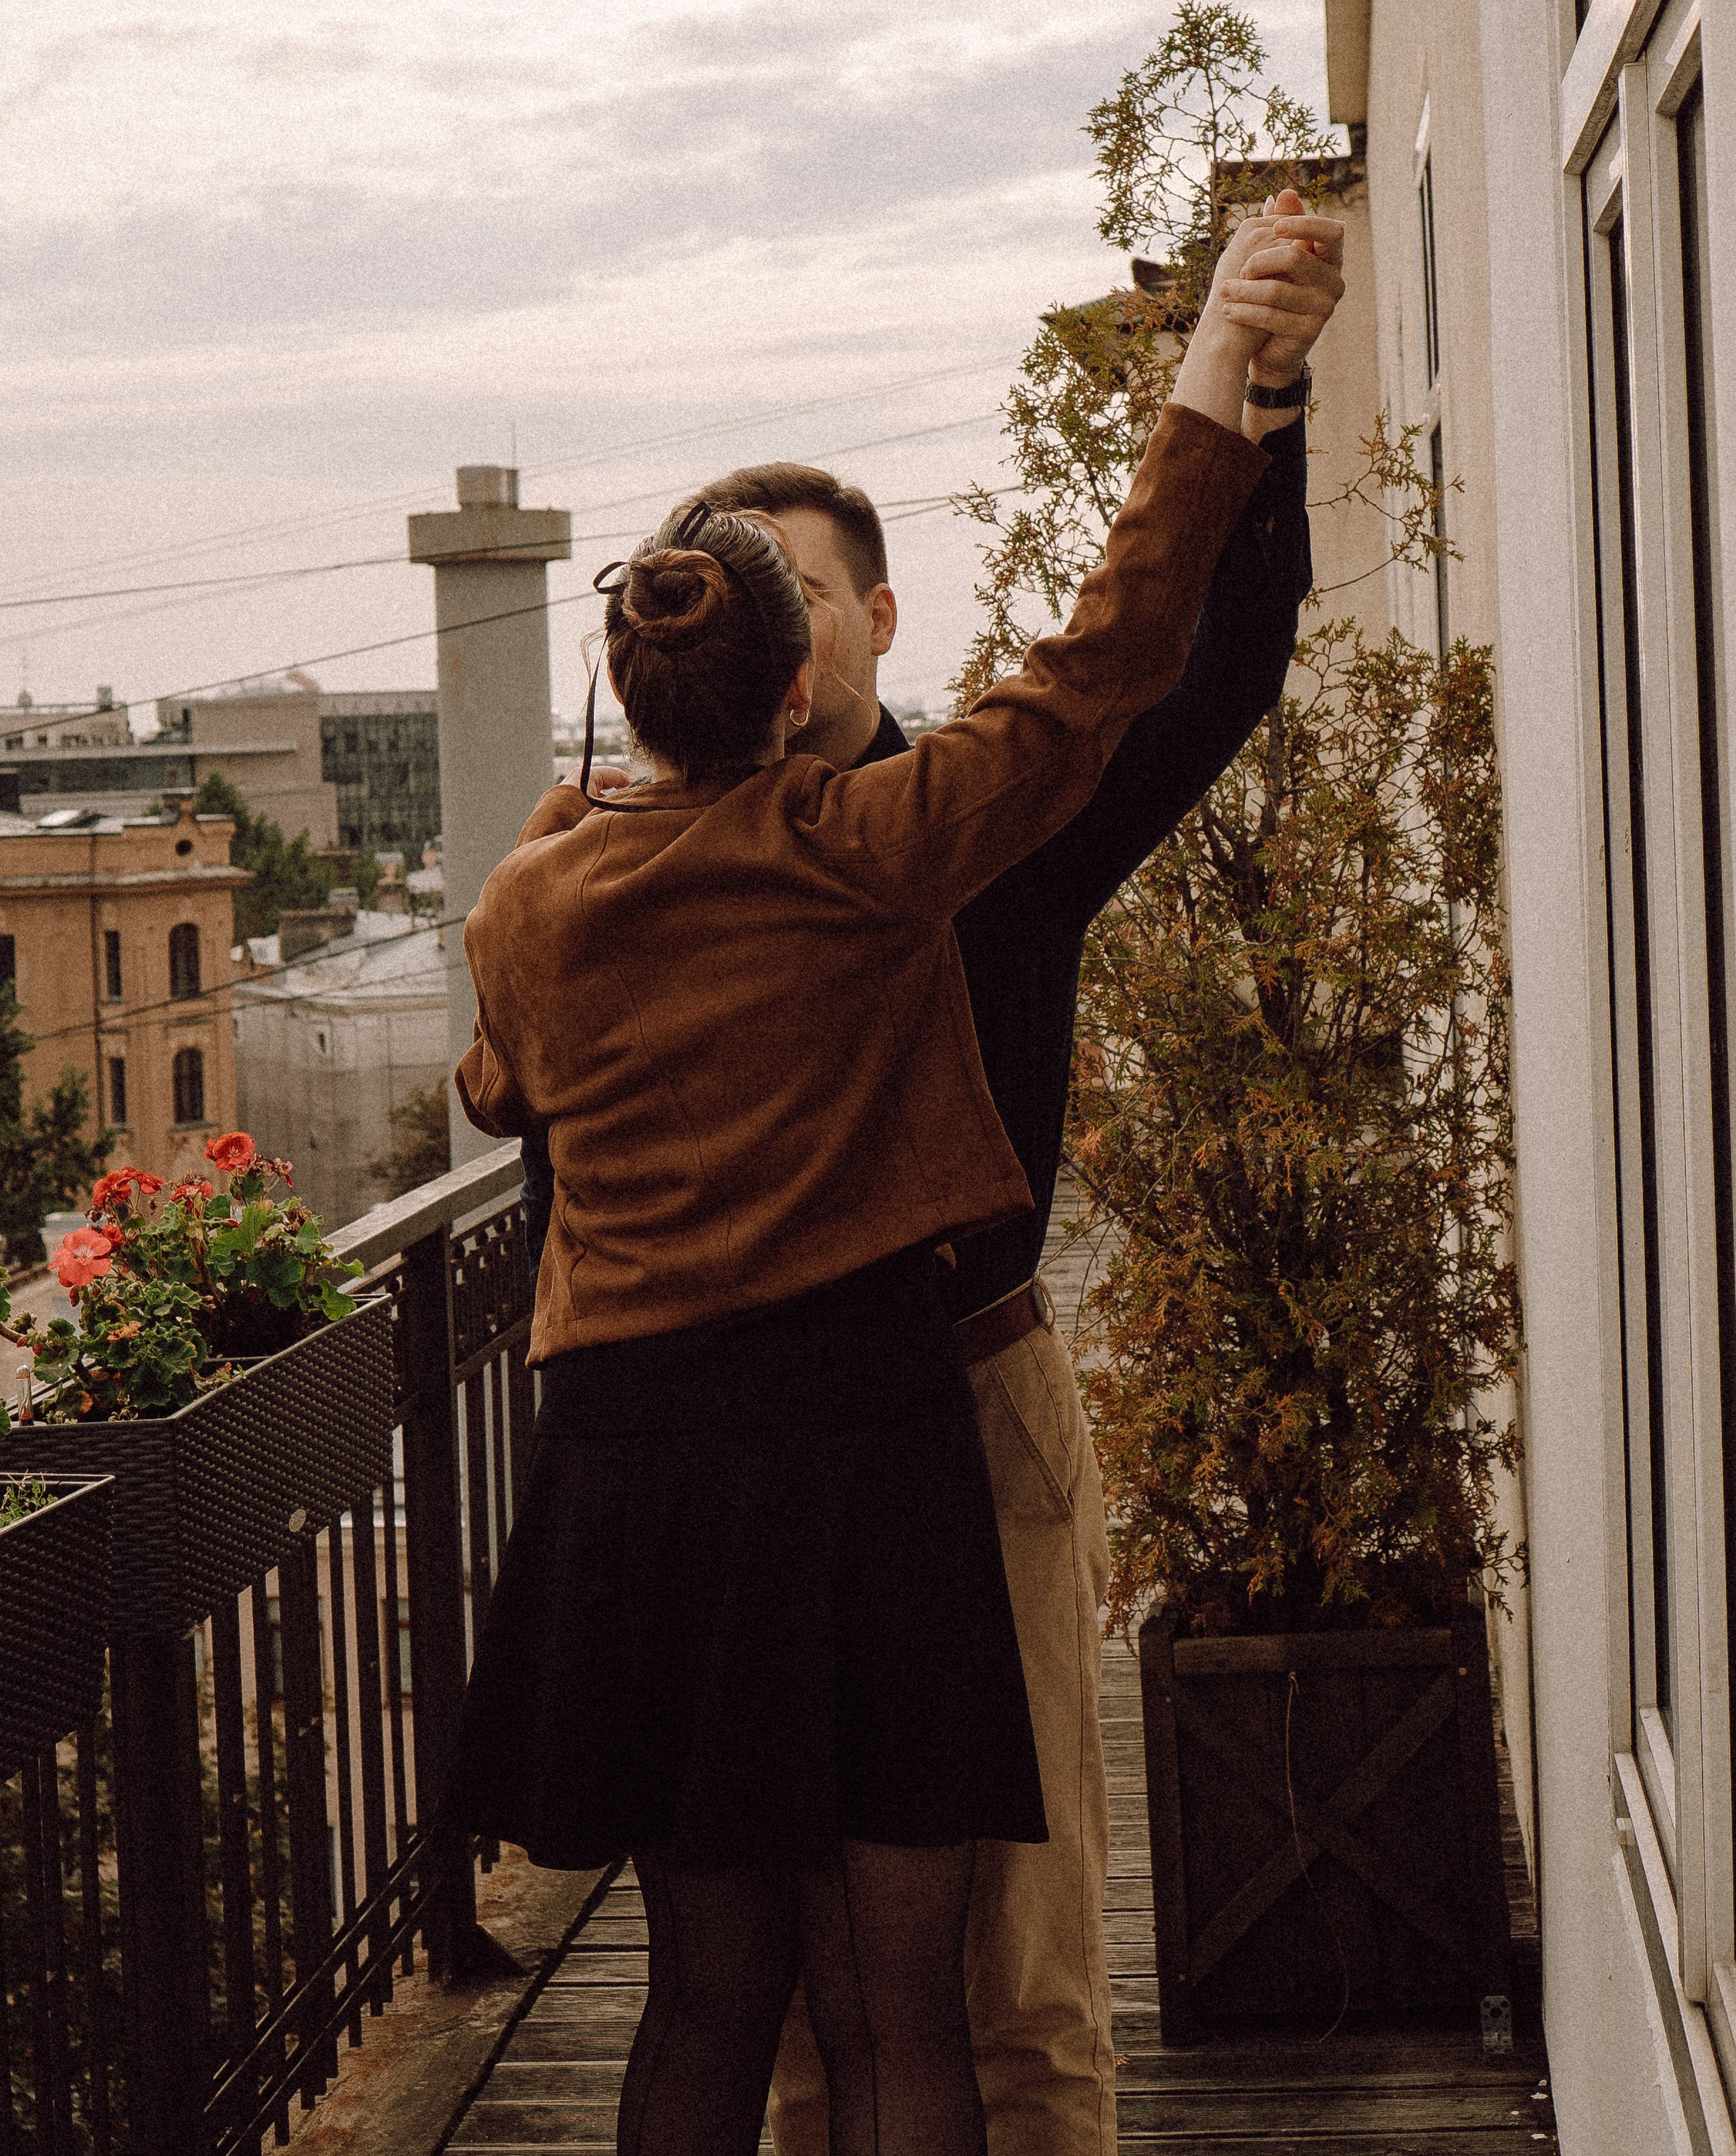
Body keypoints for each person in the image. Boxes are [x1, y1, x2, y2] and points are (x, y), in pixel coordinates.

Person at [449, 204, 1344, 2156]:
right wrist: (1214, 370)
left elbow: (499, 1082)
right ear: (776, 674)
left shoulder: (553, 886)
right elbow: (1104, 652)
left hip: (825, 1434)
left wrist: (1258, 415)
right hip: (842, 1447)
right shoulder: (886, 845)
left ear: (865, 620)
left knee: (916, 1990)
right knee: (859, 2015)